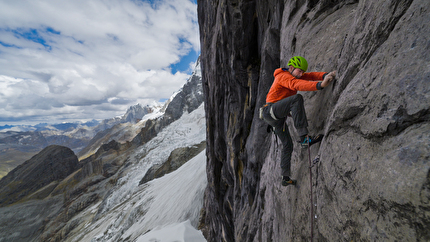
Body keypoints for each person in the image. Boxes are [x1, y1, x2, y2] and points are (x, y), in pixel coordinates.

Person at [260, 56, 336, 186]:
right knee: (297, 98)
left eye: (302, 72)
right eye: (299, 71)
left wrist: (325, 75)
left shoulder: (295, 75)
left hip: (275, 118)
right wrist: (320, 85)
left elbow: (310, 76)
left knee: (287, 145)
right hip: (271, 110)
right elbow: (296, 84)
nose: (301, 74)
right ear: (291, 68)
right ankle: (304, 139)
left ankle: (285, 177)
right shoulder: (283, 76)